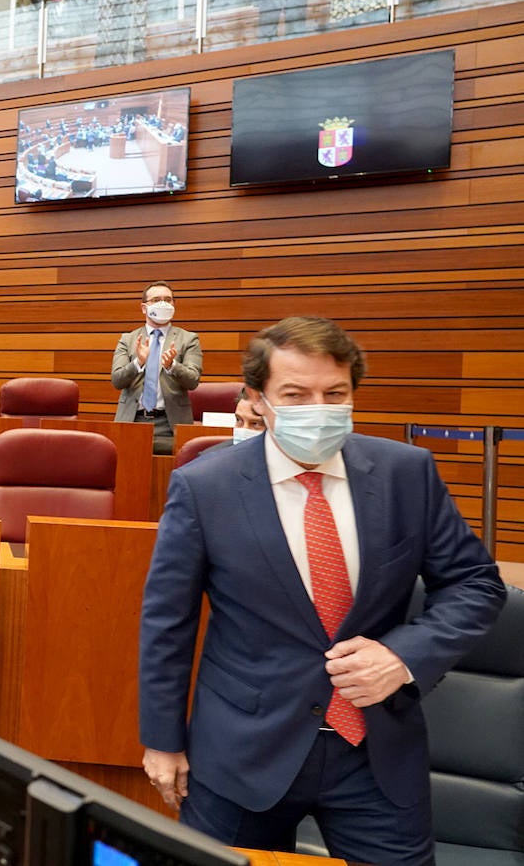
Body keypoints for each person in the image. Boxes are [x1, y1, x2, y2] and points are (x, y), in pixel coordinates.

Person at [139, 316, 506, 866]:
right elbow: (168, 622)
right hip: (242, 751)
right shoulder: (204, 487)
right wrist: (162, 741)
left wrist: (403, 655)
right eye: (295, 393)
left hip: (376, 750)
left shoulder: (407, 472)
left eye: (335, 393)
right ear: (258, 400)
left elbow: (476, 583)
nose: (319, 407)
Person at [111, 281, 202, 455]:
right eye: (156, 299)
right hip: (133, 421)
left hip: (170, 423)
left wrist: (173, 366)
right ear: (144, 308)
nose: (163, 304)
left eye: (168, 300)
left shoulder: (188, 339)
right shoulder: (128, 339)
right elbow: (117, 380)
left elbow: (193, 381)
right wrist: (138, 362)